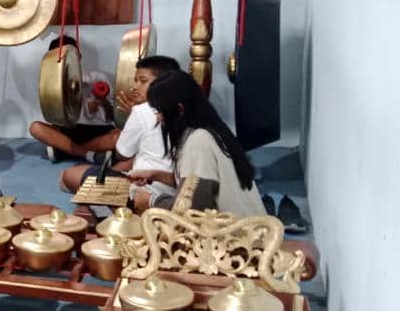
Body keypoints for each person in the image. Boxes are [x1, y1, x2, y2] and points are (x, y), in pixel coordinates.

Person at [59, 55, 182, 211]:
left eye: (143, 81)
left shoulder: (142, 111)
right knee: (124, 165)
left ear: (163, 83)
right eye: (136, 81)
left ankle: (113, 207)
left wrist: (133, 117)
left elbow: (122, 153)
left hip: (144, 193)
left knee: (67, 176)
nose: (135, 87)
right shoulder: (183, 108)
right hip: (175, 191)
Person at [136, 70, 266, 217]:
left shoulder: (199, 142)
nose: (158, 118)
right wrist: (155, 175)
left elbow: (192, 208)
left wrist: (151, 201)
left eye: (159, 111)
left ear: (179, 109)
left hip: (237, 236)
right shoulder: (209, 131)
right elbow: (195, 184)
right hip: (248, 231)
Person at [29, 35, 117, 163]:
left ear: (78, 56)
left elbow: (112, 116)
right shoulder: (51, 85)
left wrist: (102, 102)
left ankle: (65, 150)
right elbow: (51, 116)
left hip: (98, 131)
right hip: (67, 131)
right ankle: (90, 154)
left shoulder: (99, 77)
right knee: (35, 127)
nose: (63, 61)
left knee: (120, 136)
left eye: (67, 57)